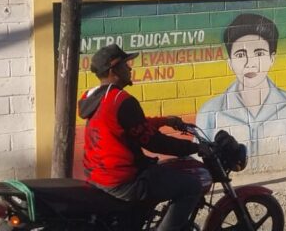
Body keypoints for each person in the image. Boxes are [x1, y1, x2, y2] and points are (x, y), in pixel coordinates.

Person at [78, 44, 201, 231]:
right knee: (191, 186)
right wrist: (194, 147)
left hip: (97, 176)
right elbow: (154, 142)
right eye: (126, 64)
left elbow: (131, 124)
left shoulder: (94, 97)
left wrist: (165, 120)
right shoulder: (121, 100)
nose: (130, 69)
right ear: (113, 70)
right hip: (122, 181)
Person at [196, 13, 286, 170]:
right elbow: (199, 166)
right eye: (241, 55)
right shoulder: (209, 112)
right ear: (230, 62)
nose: (250, 63)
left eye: (259, 53)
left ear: (272, 58)